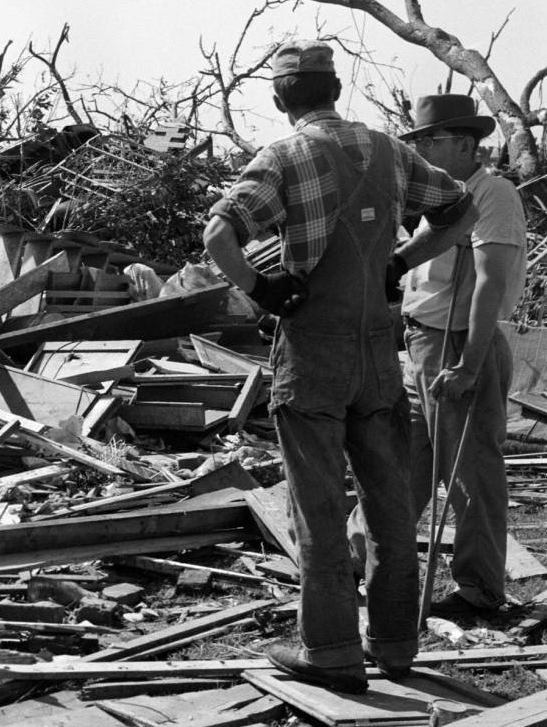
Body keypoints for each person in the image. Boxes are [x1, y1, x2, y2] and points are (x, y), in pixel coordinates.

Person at [203, 40, 476, 693]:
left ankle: (330, 651)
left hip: (313, 355)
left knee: (320, 510)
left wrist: (262, 289)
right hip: (378, 353)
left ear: (281, 99)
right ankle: (395, 646)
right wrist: (400, 262)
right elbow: (459, 208)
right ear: (335, 89)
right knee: (390, 507)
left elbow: (218, 234)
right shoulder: (388, 150)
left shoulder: (283, 156)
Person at [392, 94, 525, 617]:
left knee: (471, 472)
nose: (421, 149)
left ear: (467, 145)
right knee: (402, 461)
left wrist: (469, 365)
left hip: (458, 343)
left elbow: (490, 283)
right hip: (421, 341)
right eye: (418, 140)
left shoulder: (492, 194)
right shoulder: (436, 197)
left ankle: (479, 590)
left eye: (432, 140)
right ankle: (362, 557)